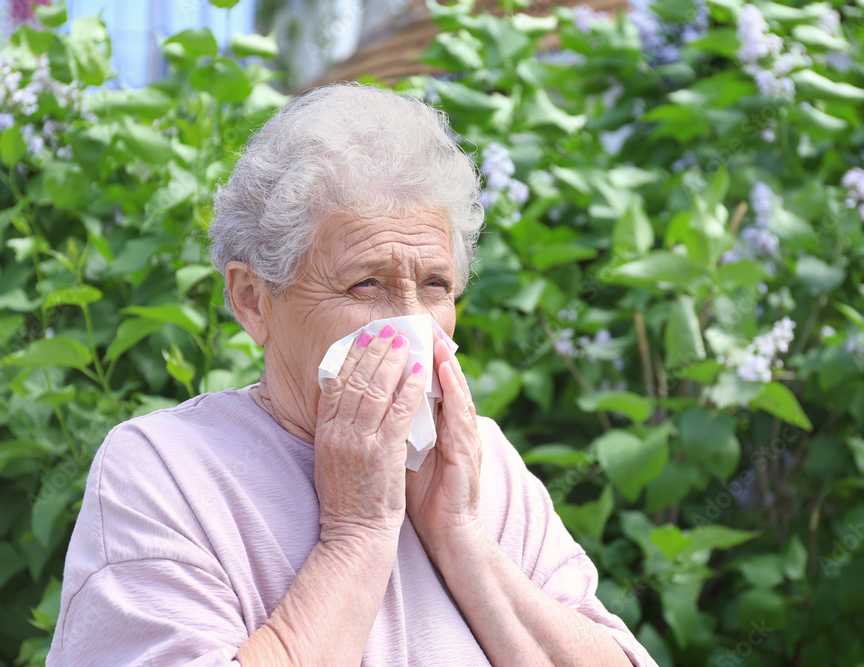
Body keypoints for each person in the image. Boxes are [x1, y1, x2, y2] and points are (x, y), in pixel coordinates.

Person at [47, 83, 657, 666]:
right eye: (366, 283)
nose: (413, 324)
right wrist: (356, 533)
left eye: (435, 285)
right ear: (253, 301)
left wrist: (461, 537)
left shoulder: (480, 463)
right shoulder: (165, 471)